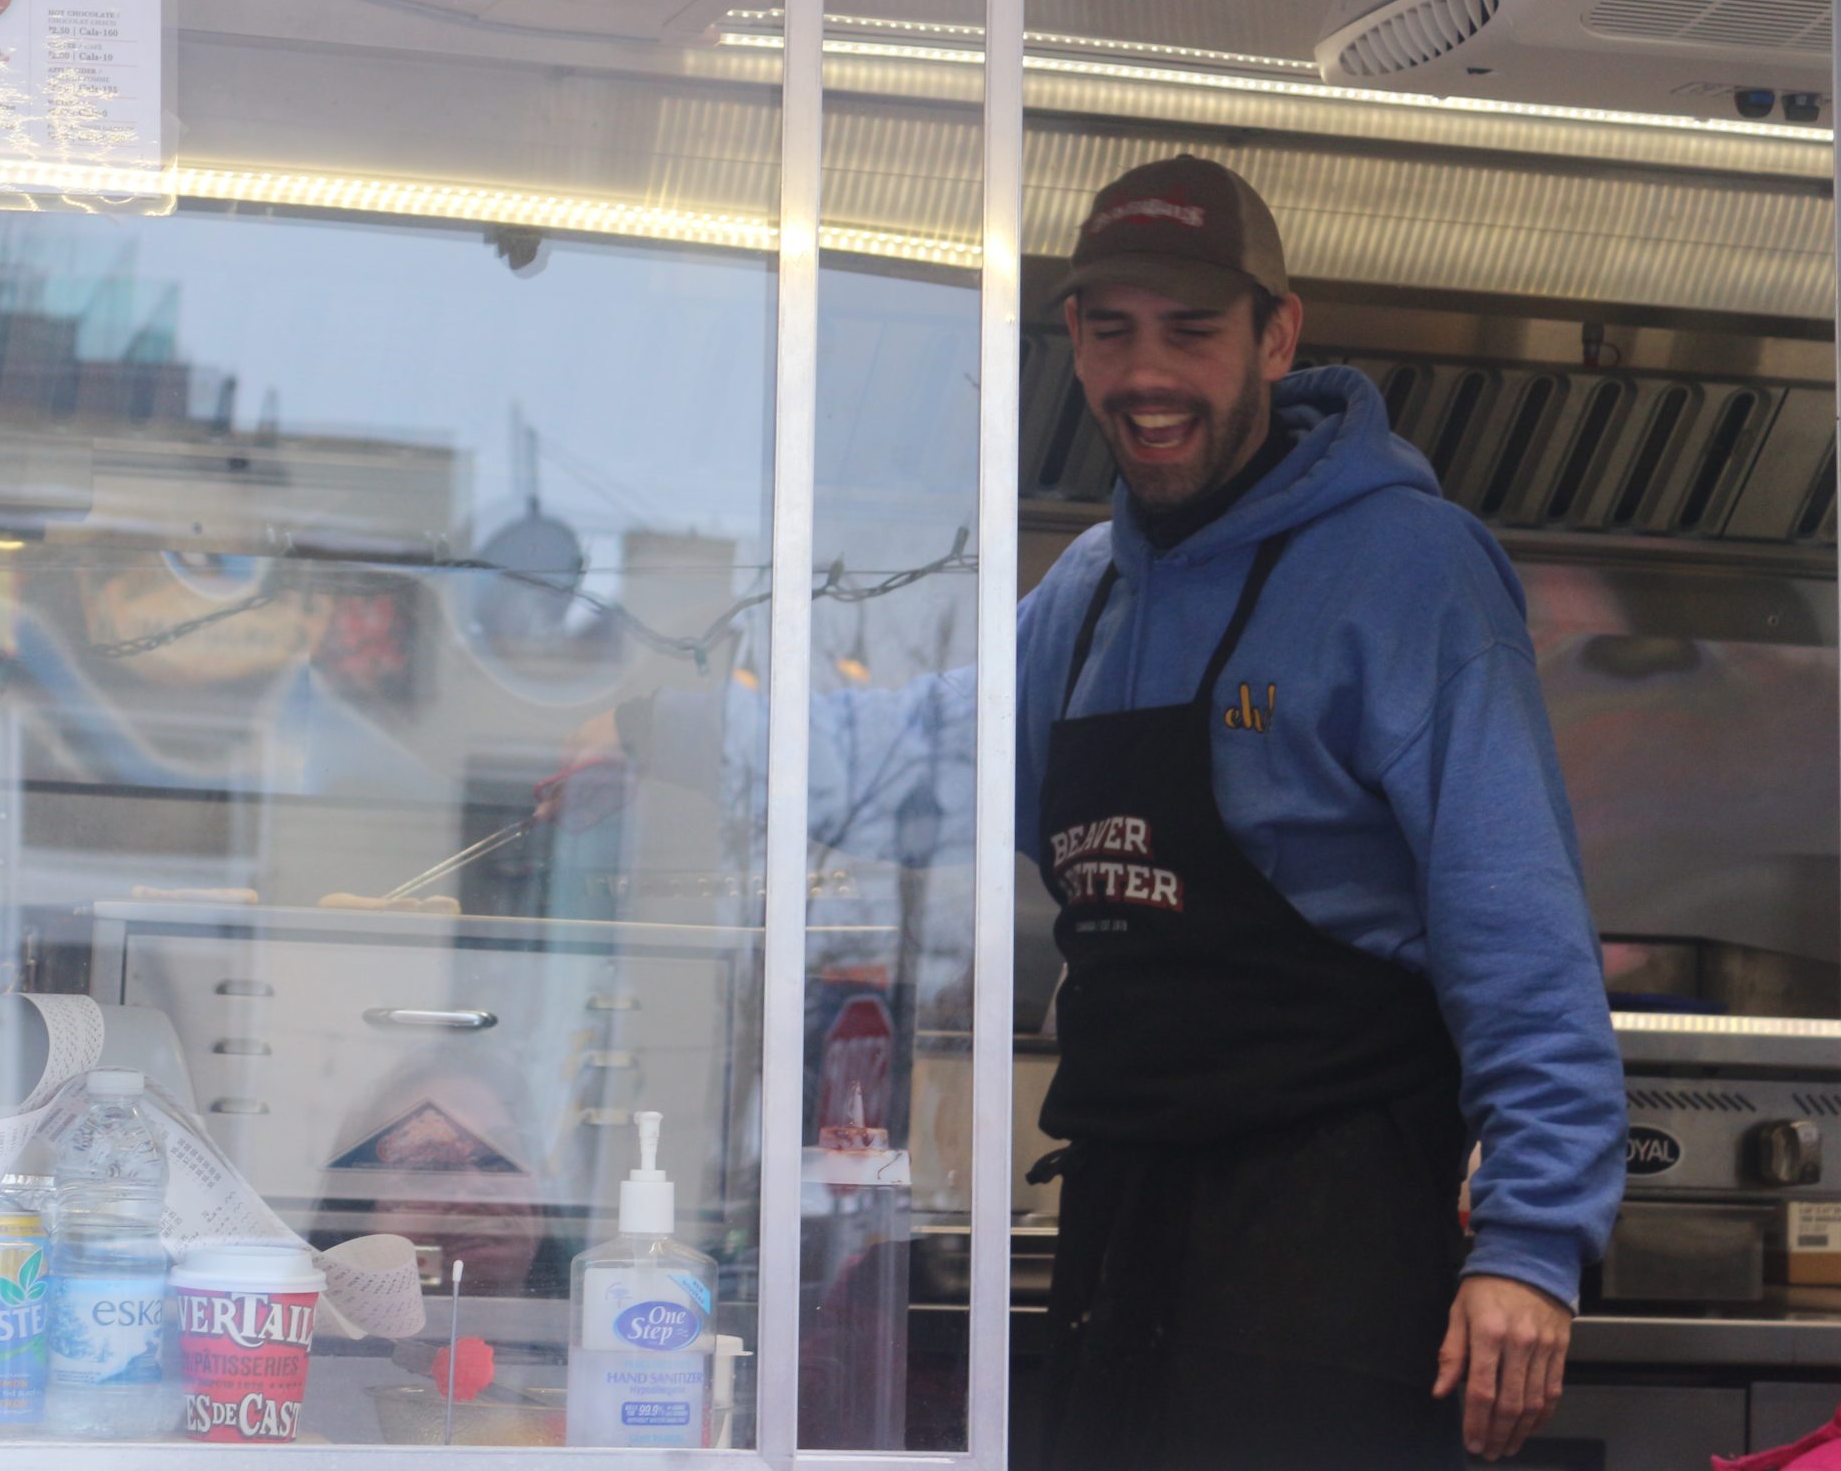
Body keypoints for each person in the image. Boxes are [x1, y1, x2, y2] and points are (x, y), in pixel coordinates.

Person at [590, 153, 1625, 1468]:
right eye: (1111, 329)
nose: (1148, 376)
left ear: (1276, 335)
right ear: (1071, 339)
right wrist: (656, 726)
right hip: (1126, 1232)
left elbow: (1516, 915)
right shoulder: (1088, 597)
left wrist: (1534, 1244)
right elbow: (902, 757)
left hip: (1334, 1241)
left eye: (1191, 332)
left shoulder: (1406, 572)